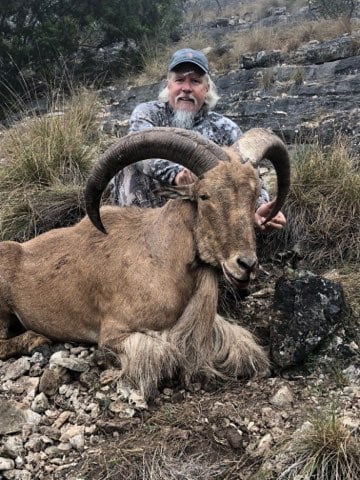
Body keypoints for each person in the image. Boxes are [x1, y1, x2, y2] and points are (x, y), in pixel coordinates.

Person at [110, 48, 285, 231]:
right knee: (131, 160)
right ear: (168, 84)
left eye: (195, 81)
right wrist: (176, 174)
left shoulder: (226, 129)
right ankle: (132, 238)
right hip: (150, 219)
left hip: (204, 219)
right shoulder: (148, 114)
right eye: (179, 80)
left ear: (207, 88)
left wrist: (258, 207)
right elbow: (140, 148)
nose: (186, 88)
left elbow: (247, 171)